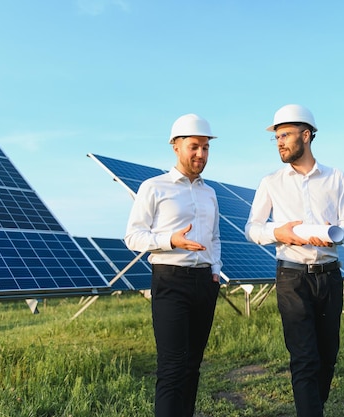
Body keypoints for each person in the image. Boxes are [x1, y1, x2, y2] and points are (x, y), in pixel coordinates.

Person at [245, 104, 344, 417]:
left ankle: (313, 409)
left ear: (306, 135)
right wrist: (278, 232)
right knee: (304, 358)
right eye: (276, 137)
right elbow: (251, 228)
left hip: (330, 276)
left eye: (285, 135)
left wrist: (335, 234)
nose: (279, 142)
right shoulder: (271, 182)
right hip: (292, 277)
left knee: (327, 356)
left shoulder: (336, 178)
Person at [125, 113, 222, 417]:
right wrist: (171, 240)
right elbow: (133, 236)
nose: (200, 154)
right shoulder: (154, 187)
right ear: (176, 147)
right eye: (194, 146)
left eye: (205, 148)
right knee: (172, 367)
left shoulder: (210, 193)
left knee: (193, 365)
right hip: (170, 280)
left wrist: (215, 271)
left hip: (205, 283)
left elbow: (215, 237)